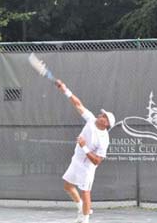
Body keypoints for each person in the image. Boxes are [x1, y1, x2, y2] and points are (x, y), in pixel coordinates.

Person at [55, 79, 115, 223]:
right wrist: (65, 89)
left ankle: (85, 219)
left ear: (106, 123)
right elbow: (78, 104)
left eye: (103, 116)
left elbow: (97, 161)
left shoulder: (104, 139)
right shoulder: (91, 119)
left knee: (85, 193)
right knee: (67, 186)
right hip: (76, 161)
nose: (100, 115)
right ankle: (81, 206)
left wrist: (84, 146)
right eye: (102, 114)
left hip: (87, 168)